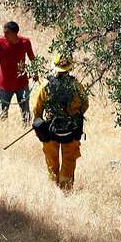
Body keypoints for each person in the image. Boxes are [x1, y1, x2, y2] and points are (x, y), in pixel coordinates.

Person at [32, 55, 89, 191]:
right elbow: (85, 104)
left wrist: (40, 122)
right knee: (69, 160)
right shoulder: (76, 86)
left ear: (54, 67)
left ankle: (53, 186)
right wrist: (73, 114)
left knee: (52, 160)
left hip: (51, 131)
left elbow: (36, 108)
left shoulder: (45, 85)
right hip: (71, 131)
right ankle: (66, 189)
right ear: (69, 69)